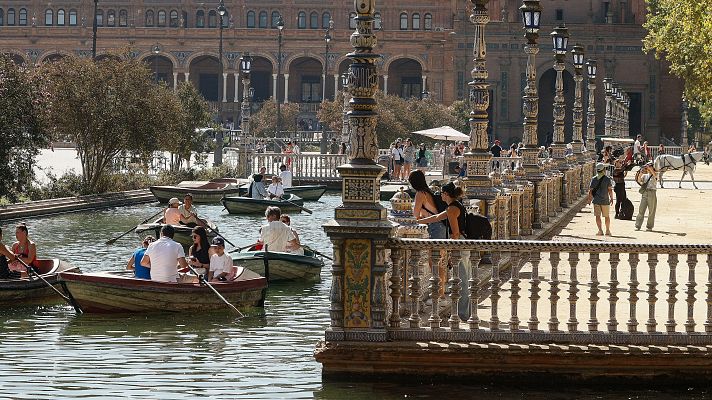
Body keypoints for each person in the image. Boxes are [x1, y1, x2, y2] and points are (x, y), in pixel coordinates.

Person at [415, 182, 466, 299]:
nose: (440, 195)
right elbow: (436, 217)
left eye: (441, 193)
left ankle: (463, 313)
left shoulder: (452, 209)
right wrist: (419, 222)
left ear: (446, 194)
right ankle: (442, 296)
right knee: (461, 275)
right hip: (464, 241)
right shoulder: (453, 206)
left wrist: (451, 251)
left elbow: (456, 233)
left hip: (462, 243)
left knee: (463, 278)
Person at [409, 170, 447, 240]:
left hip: (434, 226)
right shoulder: (428, 191)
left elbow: (415, 215)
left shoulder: (420, 194)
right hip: (441, 225)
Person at [587, 162, 614, 236]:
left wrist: (589, 199)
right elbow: (610, 190)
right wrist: (611, 198)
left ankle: (600, 230)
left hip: (596, 200)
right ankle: (607, 230)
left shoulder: (594, 179)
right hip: (605, 200)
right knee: (607, 216)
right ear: (603, 170)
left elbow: (591, 190)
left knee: (597, 216)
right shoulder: (607, 179)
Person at [635, 163, 658, 231]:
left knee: (651, 211)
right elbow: (639, 181)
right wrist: (640, 173)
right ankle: (638, 225)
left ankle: (649, 226)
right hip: (645, 193)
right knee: (641, 209)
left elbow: (656, 177)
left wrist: (651, 168)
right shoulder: (645, 176)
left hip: (652, 192)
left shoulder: (655, 175)